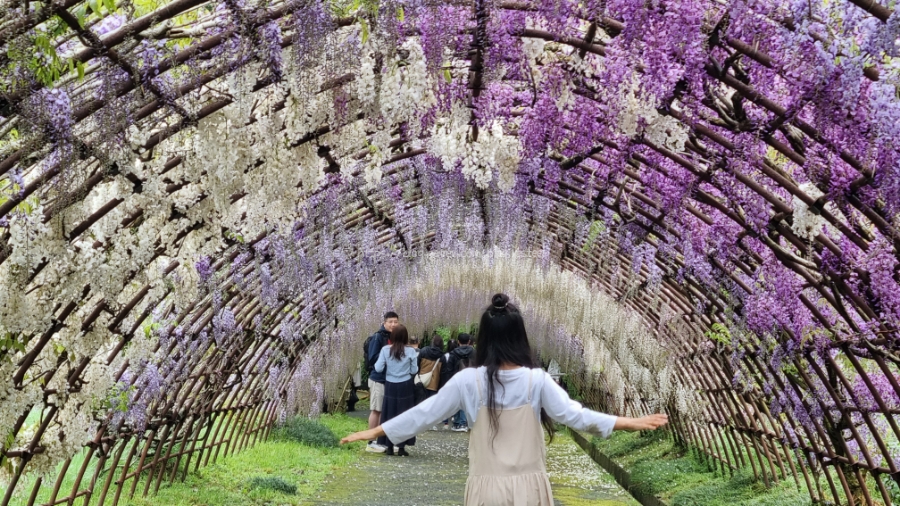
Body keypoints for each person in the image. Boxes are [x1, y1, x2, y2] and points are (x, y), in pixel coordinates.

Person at [342, 293, 668, 506]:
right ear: (520, 336)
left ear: (484, 338)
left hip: (486, 491)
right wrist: (628, 422)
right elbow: (576, 416)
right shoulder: (536, 381)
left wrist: (375, 431)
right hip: (532, 492)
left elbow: (424, 414)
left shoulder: (469, 381)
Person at [373, 324, 418, 456]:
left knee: (389, 414)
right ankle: (402, 447)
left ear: (392, 336)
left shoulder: (385, 350)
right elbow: (414, 370)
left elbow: (378, 368)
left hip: (390, 386)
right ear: (406, 337)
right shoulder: (411, 351)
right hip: (405, 386)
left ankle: (389, 446)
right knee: (404, 415)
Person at [364, 311, 399, 453]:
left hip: (391, 379)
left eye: (395, 322)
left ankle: (383, 441)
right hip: (378, 378)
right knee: (376, 410)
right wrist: (388, 354)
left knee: (386, 411)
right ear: (384, 322)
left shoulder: (395, 338)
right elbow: (372, 358)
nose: (393, 324)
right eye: (390, 322)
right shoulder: (378, 337)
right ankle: (371, 442)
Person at [442, 333, 475, 431]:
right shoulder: (474, 352)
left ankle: (457, 423)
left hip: (457, 379)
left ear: (458, 342)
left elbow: (449, 369)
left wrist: (448, 382)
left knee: (457, 400)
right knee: (468, 400)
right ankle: (464, 423)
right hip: (471, 379)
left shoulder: (453, 353)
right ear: (469, 341)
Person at [415, 335, 444, 408]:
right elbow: (443, 373)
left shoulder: (423, 351)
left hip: (421, 382)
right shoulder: (442, 356)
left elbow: (416, 366)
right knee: (430, 408)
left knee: (420, 406)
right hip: (434, 385)